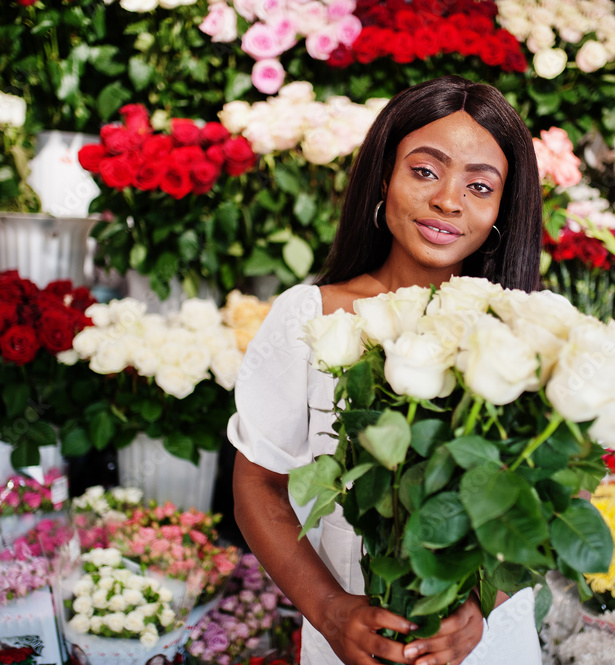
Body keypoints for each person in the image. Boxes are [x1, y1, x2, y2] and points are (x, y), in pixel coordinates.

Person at [229, 75, 544, 665]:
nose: (449, 200)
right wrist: (329, 612)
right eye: (425, 171)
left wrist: (483, 607)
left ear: (503, 208)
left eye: (480, 185)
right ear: (383, 176)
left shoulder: (524, 330)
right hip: (352, 632)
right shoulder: (313, 315)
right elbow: (257, 484)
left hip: (486, 643)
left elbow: (541, 505)